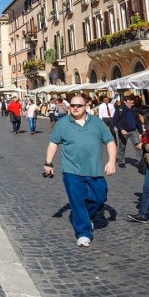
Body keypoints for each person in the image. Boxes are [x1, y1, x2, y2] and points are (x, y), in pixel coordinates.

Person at [43, 95, 117, 248]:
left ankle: (84, 217)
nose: (75, 108)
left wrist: (111, 161)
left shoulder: (97, 123)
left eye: (79, 105)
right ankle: (83, 233)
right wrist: (48, 163)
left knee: (99, 197)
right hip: (71, 171)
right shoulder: (62, 123)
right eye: (72, 105)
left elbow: (110, 141)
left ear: (86, 106)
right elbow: (53, 143)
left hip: (95, 169)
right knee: (76, 202)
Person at [113, 93, 141, 168]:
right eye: (130, 100)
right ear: (125, 101)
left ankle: (141, 162)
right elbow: (115, 121)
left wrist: (140, 132)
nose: (132, 102)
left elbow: (138, 121)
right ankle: (121, 161)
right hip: (123, 131)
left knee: (138, 146)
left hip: (133, 131)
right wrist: (121, 129)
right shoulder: (119, 109)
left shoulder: (134, 109)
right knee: (122, 147)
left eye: (132, 100)